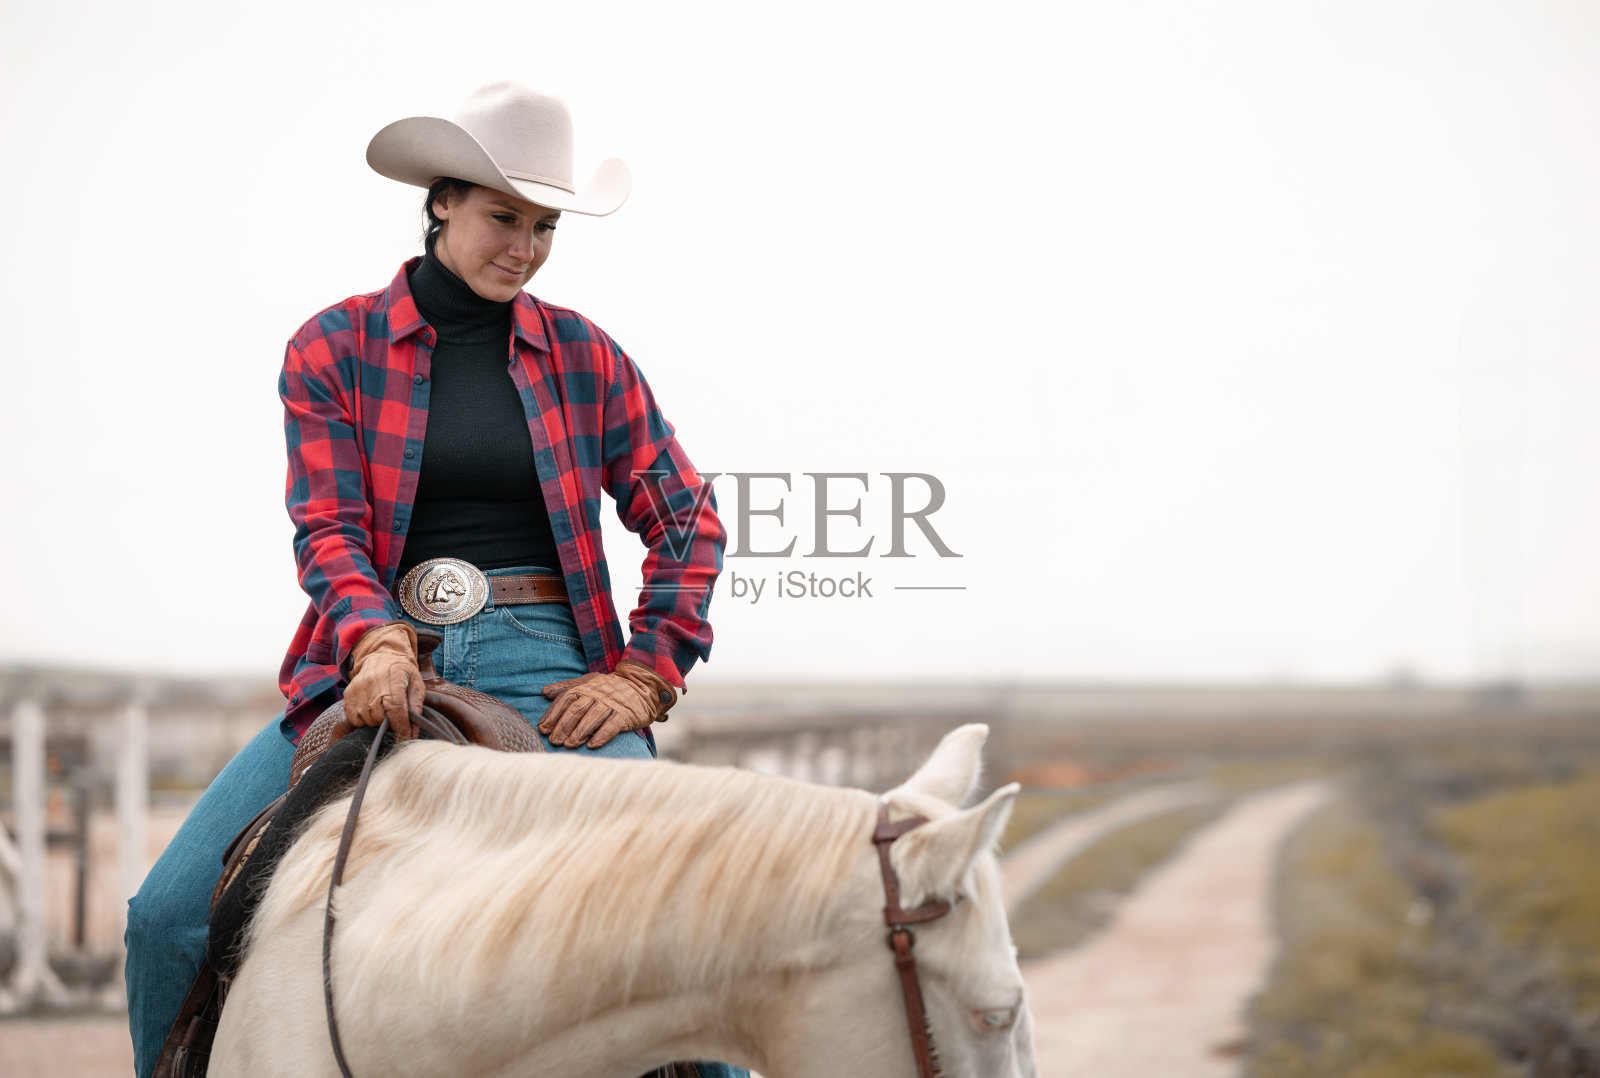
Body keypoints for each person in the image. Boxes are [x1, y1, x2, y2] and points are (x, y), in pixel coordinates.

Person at [124, 81, 733, 1078]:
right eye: (505, 217)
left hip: (548, 665)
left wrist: (642, 674)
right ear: (442, 200)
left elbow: (687, 521)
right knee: (166, 919)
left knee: (684, 926)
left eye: (544, 226)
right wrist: (373, 636)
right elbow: (328, 526)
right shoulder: (333, 347)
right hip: (375, 660)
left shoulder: (585, 356)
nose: (526, 247)